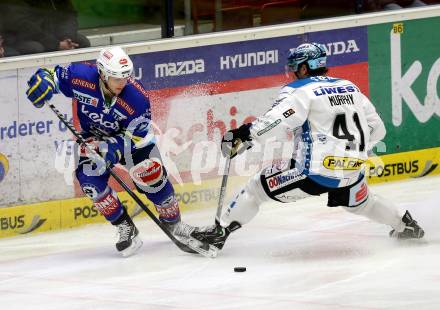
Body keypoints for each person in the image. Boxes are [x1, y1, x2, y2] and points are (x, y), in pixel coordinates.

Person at [191, 42, 425, 252]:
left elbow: (277, 121)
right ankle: (406, 225)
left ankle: (218, 232)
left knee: (256, 188)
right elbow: (378, 129)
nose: (292, 74)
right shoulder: (349, 87)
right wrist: (350, 153)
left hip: (315, 173)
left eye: (295, 68)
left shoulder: (299, 91)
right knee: (364, 203)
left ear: (304, 68)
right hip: (353, 171)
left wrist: (244, 135)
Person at [25, 46, 200, 257]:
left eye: (125, 77)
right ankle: (125, 227)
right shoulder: (81, 77)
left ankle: (174, 224)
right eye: (116, 78)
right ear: (102, 73)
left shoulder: (137, 98)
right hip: (94, 139)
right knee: (90, 181)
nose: (122, 83)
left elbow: (136, 136)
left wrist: (111, 149)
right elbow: (52, 76)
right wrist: (42, 80)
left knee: (151, 173)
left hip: (133, 143)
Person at [4, 0, 90, 55]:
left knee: (82, 42)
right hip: (22, 37)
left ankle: (76, 77)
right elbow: (25, 26)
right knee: (35, 48)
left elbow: (69, 15)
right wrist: (56, 44)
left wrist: (67, 37)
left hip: (53, 33)